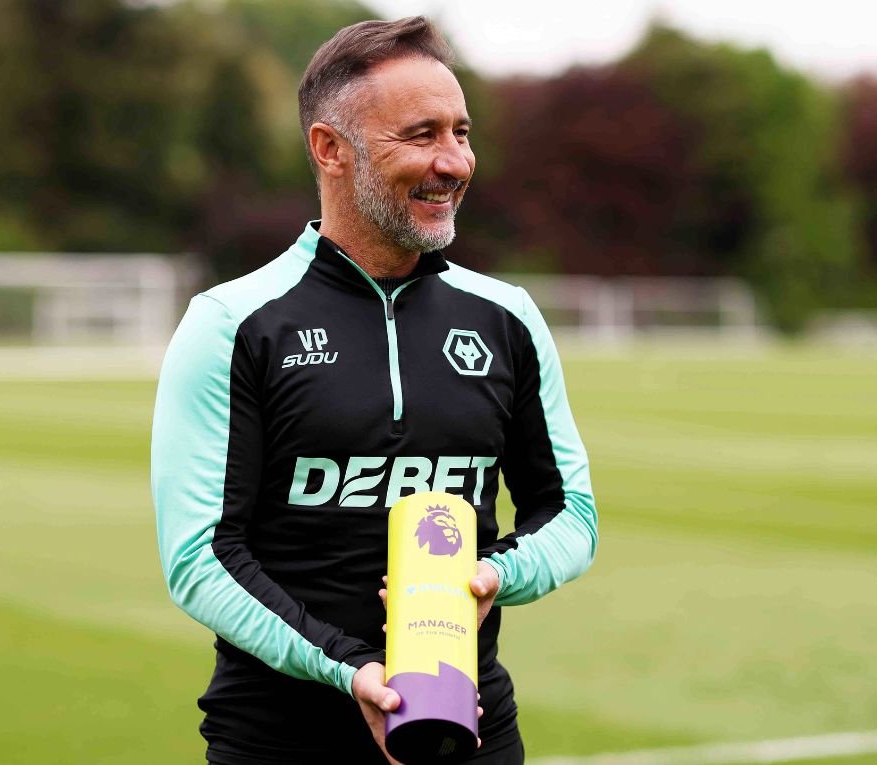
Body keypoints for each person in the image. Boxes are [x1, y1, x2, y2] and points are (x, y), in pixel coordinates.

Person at [151, 16, 598, 765]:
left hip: (470, 725)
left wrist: (495, 572)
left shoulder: (508, 318)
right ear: (331, 149)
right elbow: (200, 556)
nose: (453, 161)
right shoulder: (233, 324)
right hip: (280, 737)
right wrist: (348, 669)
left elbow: (571, 514)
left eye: (461, 132)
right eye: (421, 134)